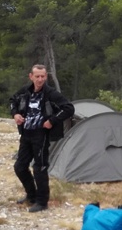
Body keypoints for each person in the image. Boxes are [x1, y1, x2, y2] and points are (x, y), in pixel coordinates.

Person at [10, 64, 74, 212]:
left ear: (46, 77)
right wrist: (15, 114)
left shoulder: (51, 93)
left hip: (41, 135)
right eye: (37, 76)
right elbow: (12, 101)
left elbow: (69, 108)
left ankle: (42, 201)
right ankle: (31, 195)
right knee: (20, 166)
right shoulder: (25, 91)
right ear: (31, 76)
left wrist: (52, 121)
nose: (40, 79)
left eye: (43, 76)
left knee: (39, 167)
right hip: (26, 133)